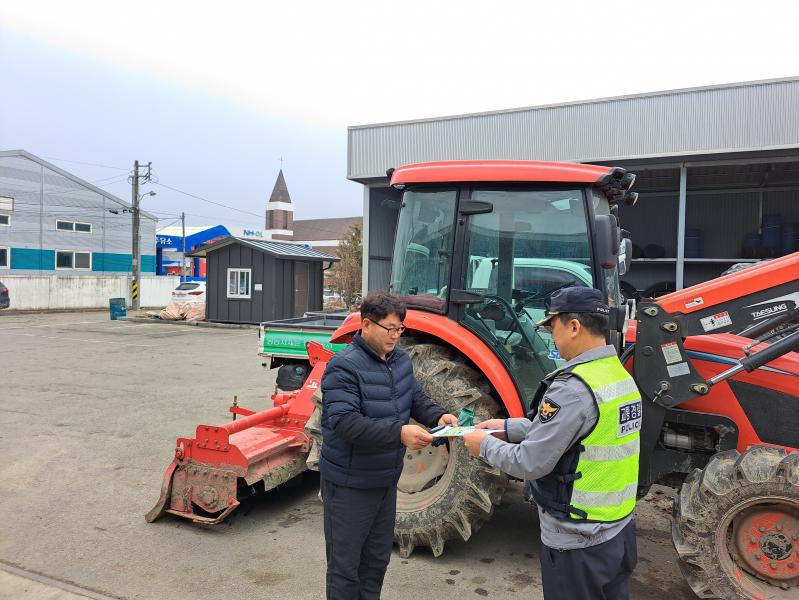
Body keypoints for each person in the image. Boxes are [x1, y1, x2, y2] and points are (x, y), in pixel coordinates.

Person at [463, 286, 641, 600]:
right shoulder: (616, 376)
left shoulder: (573, 388)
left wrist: (483, 444)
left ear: (574, 326)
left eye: (553, 326)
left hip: (579, 542)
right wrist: (506, 427)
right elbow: (574, 429)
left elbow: (530, 463)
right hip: (618, 531)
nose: (551, 336)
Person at [320, 291, 458, 600]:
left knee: (376, 561)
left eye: (400, 329)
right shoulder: (344, 367)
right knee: (346, 567)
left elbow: (415, 397)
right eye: (390, 329)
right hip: (349, 484)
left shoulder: (400, 359)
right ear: (366, 324)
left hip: (384, 480)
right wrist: (399, 433)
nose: (396, 335)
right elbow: (345, 422)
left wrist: (439, 415)